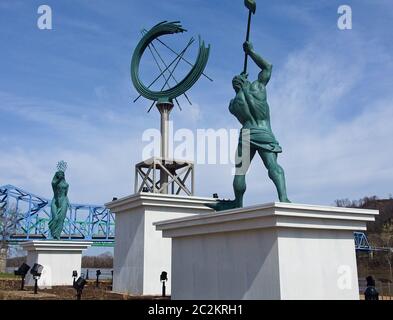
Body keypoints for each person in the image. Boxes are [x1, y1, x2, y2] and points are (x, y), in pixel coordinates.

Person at [209, 41, 290, 211]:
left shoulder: (233, 105)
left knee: (240, 171)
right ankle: (283, 198)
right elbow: (268, 67)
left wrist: (241, 88)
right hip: (263, 132)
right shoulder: (257, 87)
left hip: (246, 133)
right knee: (273, 166)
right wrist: (251, 52)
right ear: (244, 80)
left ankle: (238, 202)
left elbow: (240, 112)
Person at [48, 169, 69, 239]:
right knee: (55, 218)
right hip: (55, 201)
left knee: (61, 219)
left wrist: (68, 202)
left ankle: (57, 235)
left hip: (64, 201)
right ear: (56, 175)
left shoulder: (66, 185)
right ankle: (53, 232)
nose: (60, 175)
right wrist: (59, 179)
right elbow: (54, 183)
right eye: (59, 174)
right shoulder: (54, 183)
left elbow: (66, 195)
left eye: (62, 174)